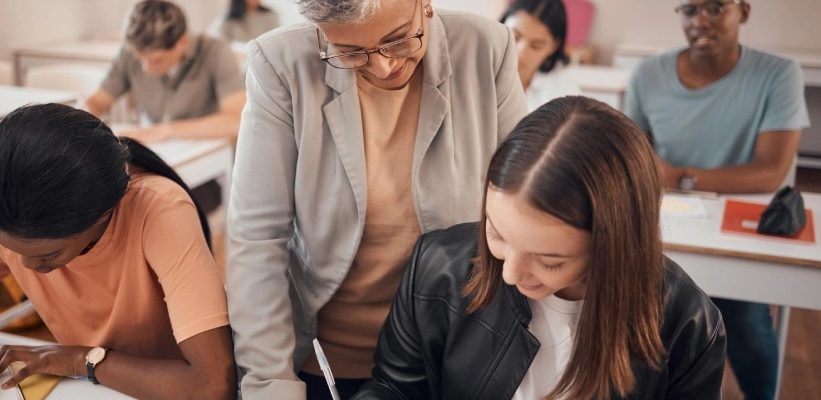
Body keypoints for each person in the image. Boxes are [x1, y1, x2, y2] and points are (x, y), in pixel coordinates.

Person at [225, 0, 528, 397]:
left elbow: (524, 205)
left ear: (426, 5)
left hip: (457, 350)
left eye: (399, 40)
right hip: (327, 361)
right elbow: (258, 239)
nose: (384, 65)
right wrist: (270, 382)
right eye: (349, 53)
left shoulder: (486, 48)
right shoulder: (281, 63)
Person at [353, 96, 727, 400]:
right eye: (497, 234)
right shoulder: (438, 268)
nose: (511, 273)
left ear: (614, 247)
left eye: (549, 261)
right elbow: (396, 387)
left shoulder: (688, 324)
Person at [0, 104, 236, 399]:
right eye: (6, 248)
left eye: (49, 256)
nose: (25, 266)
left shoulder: (158, 210)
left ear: (102, 214)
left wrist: (81, 360)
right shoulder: (7, 219)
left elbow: (211, 385)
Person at [624, 1, 809, 398]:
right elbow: (633, 160)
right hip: (671, 222)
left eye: (714, 7)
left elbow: (769, 172)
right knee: (649, 314)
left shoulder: (779, 74)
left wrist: (676, 175)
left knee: (743, 319)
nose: (700, 20)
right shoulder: (647, 73)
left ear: (743, 11)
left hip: (741, 225)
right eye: (689, 10)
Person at [85, 0, 246, 143]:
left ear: (182, 41)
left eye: (156, 60)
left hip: (206, 154)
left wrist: (167, 130)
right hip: (154, 149)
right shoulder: (129, 53)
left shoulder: (216, 52)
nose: (145, 68)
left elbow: (235, 121)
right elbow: (95, 102)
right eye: (140, 59)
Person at [500, 0, 580, 111]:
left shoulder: (562, 86)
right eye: (514, 36)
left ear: (553, 47)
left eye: (536, 45)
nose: (521, 52)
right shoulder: (476, 69)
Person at [207, 0, 281, 43]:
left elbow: (275, 41)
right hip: (237, 60)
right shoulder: (228, 20)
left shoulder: (270, 16)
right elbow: (221, 41)